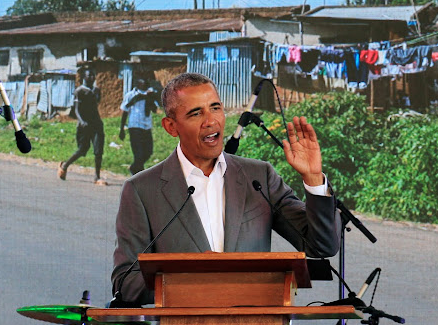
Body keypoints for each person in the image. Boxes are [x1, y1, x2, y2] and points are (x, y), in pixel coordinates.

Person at [111, 72, 341, 305]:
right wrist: (189, 278)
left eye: (215, 108)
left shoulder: (259, 177)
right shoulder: (141, 190)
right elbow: (125, 283)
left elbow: (321, 246)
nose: (211, 120)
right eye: (196, 113)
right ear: (171, 126)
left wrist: (313, 179)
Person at [58, 69, 107, 185]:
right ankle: (65, 165)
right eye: (89, 75)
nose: (91, 77)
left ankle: (97, 177)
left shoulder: (96, 90)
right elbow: (76, 109)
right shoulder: (79, 91)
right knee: (82, 150)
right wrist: (82, 121)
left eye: (93, 75)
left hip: (96, 123)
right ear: (84, 77)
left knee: (98, 151)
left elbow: (97, 103)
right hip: (84, 125)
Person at [119, 78, 159, 175]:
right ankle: (139, 175)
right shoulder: (130, 95)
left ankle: (134, 168)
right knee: (138, 153)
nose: (145, 85)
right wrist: (122, 129)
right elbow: (125, 111)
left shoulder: (150, 95)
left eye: (146, 84)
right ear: (137, 84)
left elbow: (154, 110)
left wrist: (150, 98)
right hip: (135, 126)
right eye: (143, 84)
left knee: (148, 151)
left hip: (146, 126)